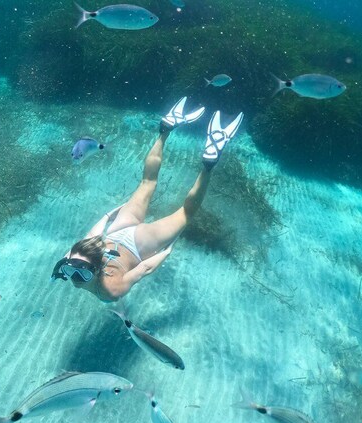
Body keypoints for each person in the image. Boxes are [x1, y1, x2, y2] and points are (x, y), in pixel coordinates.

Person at [51, 97, 244, 302]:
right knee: (146, 183)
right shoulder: (74, 257)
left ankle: (209, 163)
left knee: (187, 213)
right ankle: (165, 129)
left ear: (98, 270)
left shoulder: (111, 290)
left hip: (138, 244)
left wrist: (166, 252)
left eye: (81, 274)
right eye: (70, 271)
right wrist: (108, 215)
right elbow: (91, 236)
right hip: (117, 231)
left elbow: (144, 267)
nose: (75, 279)